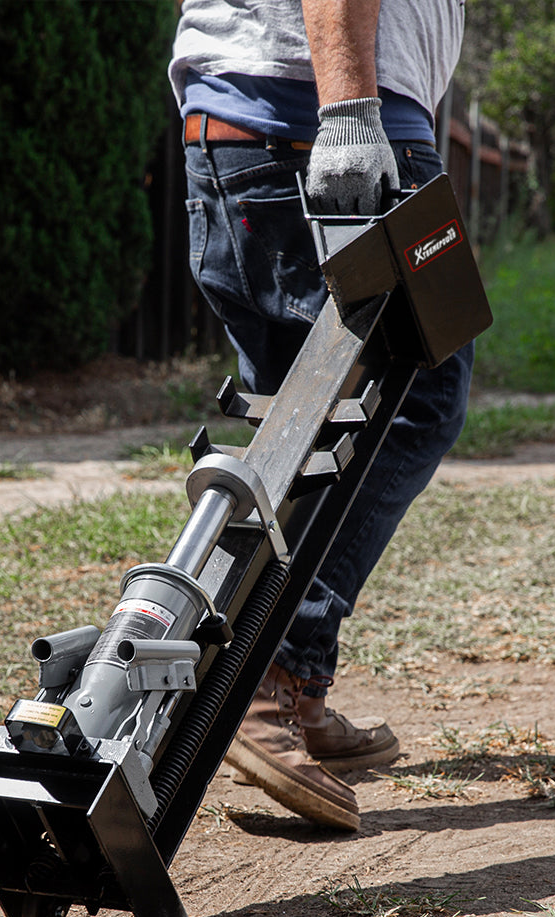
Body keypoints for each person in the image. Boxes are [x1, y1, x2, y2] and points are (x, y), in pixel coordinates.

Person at [169, 0, 474, 833]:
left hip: (259, 122)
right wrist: (349, 111)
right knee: (413, 396)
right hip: (316, 118)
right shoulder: (336, 113)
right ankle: (260, 681)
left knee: (296, 431)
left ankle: (283, 683)